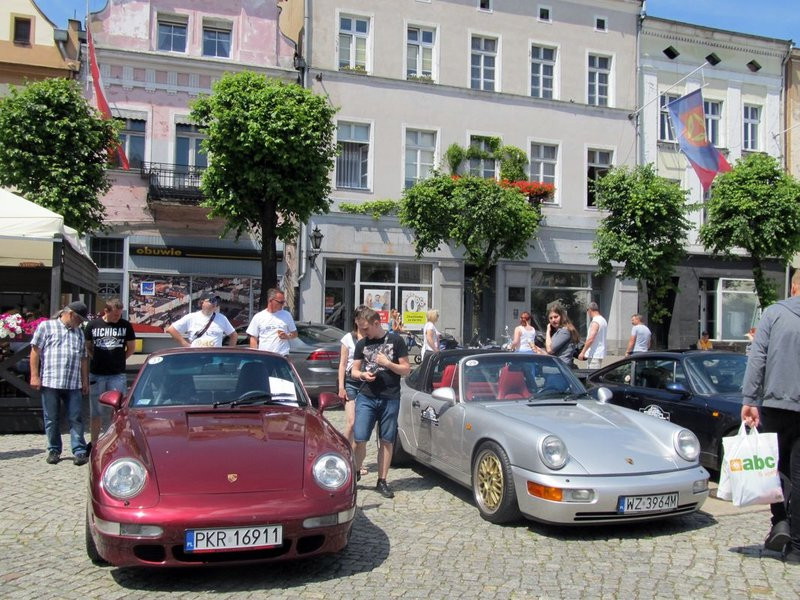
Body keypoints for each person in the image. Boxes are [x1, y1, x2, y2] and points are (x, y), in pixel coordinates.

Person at [741, 270, 800, 564]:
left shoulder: (774, 314)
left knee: (772, 466)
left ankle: (780, 522)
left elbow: (758, 358)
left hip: (776, 404)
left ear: (793, 286)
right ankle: (798, 549)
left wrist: (750, 399)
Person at [350, 308, 411, 499]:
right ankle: (355, 472)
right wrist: (362, 375)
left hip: (390, 397)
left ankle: (382, 480)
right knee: (360, 438)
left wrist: (388, 363)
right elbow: (354, 371)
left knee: (386, 439)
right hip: (367, 396)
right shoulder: (362, 344)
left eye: (366, 328)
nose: (363, 332)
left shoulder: (396, 341)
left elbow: (406, 370)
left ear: (376, 323)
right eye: (360, 328)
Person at [29, 301, 90, 465]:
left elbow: (84, 358)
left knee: (76, 418)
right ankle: (54, 450)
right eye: (79, 319)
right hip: (51, 380)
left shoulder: (79, 332)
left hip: (73, 383)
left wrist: (85, 380)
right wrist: (34, 376)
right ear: (70, 314)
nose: (81, 323)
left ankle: (79, 450)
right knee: (51, 418)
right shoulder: (46, 327)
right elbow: (35, 352)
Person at [84, 298, 136, 445]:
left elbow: (131, 348)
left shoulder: (125, 326)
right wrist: (96, 357)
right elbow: (88, 346)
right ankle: (94, 443)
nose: (117, 317)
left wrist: (119, 359)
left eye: (119, 314)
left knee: (117, 410)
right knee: (96, 411)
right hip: (97, 373)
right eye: (115, 315)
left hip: (117, 374)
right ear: (106, 311)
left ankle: (116, 441)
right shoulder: (93, 325)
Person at [338, 306, 369, 467]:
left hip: (367, 383)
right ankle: (343, 454)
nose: (365, 322)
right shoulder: (348, 339)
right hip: (351, 382)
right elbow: (343, 364)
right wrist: (341, 387)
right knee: (351, 422)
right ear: (356, 320)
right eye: (362, 318)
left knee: (361, 424)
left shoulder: (372, 338)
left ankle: (357, 461)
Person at [166, 294, 237, 348]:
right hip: (196, 357)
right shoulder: (191, 317)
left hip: (214, 358)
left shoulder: (222, 318)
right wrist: (185, 344)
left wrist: (228, 353)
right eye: (212, 301)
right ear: (201, 303)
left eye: (217, 302)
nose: (215, 304)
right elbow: (171, 329)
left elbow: (233, 335)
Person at [246, 288, 298, 355]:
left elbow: (295, 334)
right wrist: (255, 355)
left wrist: (287, 336)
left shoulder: (287, 315)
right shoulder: (259, 316)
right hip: (265, 356)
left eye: (283, 302)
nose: (282, 304)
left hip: (282, 356)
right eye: (280, 302)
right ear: (270, 301)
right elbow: (253, 338)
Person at [578, 302, 607, 369]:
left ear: (590, 310)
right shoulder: (603, 320)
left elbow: (591, 338)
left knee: (592, 375)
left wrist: (582, 352)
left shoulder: (595, 321)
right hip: (599, 353)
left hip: (594, 353)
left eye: (587, 311)